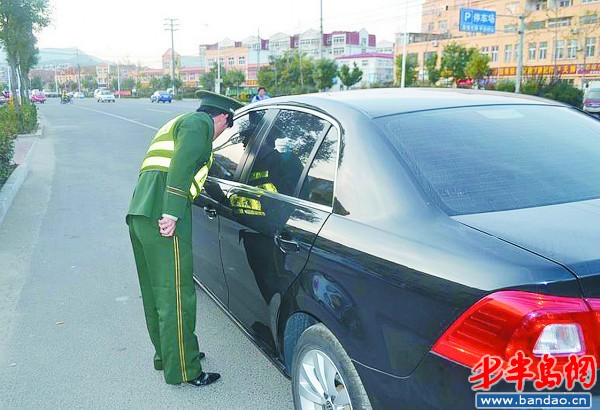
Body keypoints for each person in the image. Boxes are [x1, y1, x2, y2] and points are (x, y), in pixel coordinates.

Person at [126, 90, 242, 387]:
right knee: (177, 296)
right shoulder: (198, 125)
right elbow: (180, 166)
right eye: (225, 129)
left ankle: (170, 355)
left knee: (157, 295)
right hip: (161, 216)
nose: (218, 137)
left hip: (141, 212)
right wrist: (172, 213)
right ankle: (186, 370)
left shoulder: (176, 123)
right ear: (223, 118)